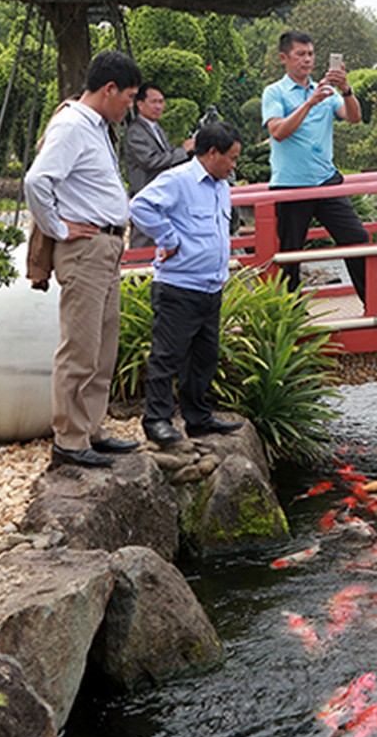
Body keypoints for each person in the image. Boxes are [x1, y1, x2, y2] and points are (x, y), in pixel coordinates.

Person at [25, 51, 143, 468]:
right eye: (128, 96)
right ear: (108, 89)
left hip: (107, 246)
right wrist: (58, 228)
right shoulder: (73, 125)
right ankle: (70, 440)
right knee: (80, 346)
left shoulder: (95, 126)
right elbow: (37, 180)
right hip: (86, 249)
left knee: (103, 344)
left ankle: (91, 428)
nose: (130, 104)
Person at [129, 121, 245, 445]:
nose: (234, 165)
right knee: (167, 356)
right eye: (231, 158)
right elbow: (139, 206)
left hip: (211, 286)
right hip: (179, 286)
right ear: (211, 152)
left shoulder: (222, 185)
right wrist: (168, 238)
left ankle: (198, 418)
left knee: (204, 356)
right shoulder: (178, 180)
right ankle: (157, 421)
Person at [262, 30, 377, 313]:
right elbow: (278, 132)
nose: (307, 60)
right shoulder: (275, 92)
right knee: (290, 254)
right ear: (284, 58)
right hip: (291, 185)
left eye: (310, 54)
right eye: (300, 54)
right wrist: (309, 104)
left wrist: (346, 91)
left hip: (326, 181)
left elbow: (355, 118)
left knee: (357, 239)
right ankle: (291, 314)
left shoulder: (327, 91)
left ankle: (376, 305)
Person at [124, 83, 195, 248]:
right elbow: (151, 161)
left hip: (162, 194)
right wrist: (182, 151)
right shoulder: (135, 131)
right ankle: (137, 272)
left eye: (161, 102)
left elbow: (168, 155)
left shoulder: (156, 128)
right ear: (140, 104)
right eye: (154, 102)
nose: (159, 106)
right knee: (143, 243)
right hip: (146, 194)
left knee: (159, 242)